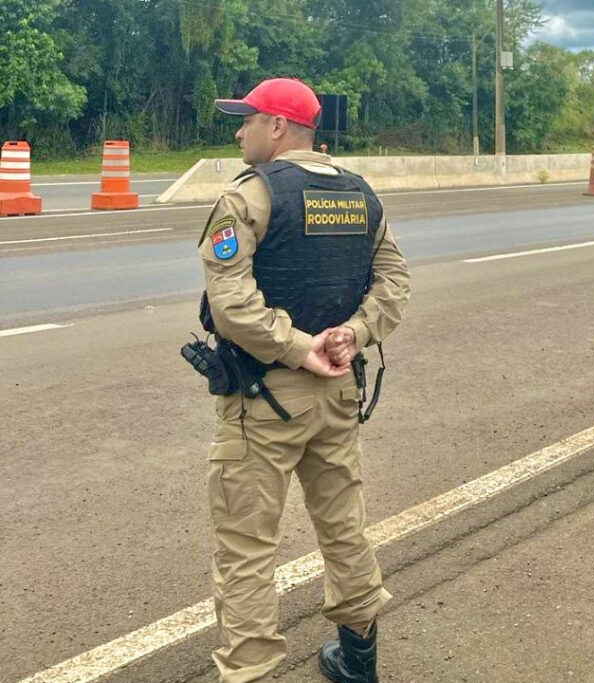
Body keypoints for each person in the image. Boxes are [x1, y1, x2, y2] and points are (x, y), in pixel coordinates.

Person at [198, 77, 410, 683]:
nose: (239, 133)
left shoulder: (250, 195)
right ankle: (359, 658)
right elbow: (394, 282)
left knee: (246, 546)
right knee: (344, 526)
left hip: (265, 396)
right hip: (339, 389)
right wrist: (355, 333)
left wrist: (297, 349)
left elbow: (233, 305)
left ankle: (249, 670)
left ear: (277, 126)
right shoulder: (361, 195)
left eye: (246, 120)